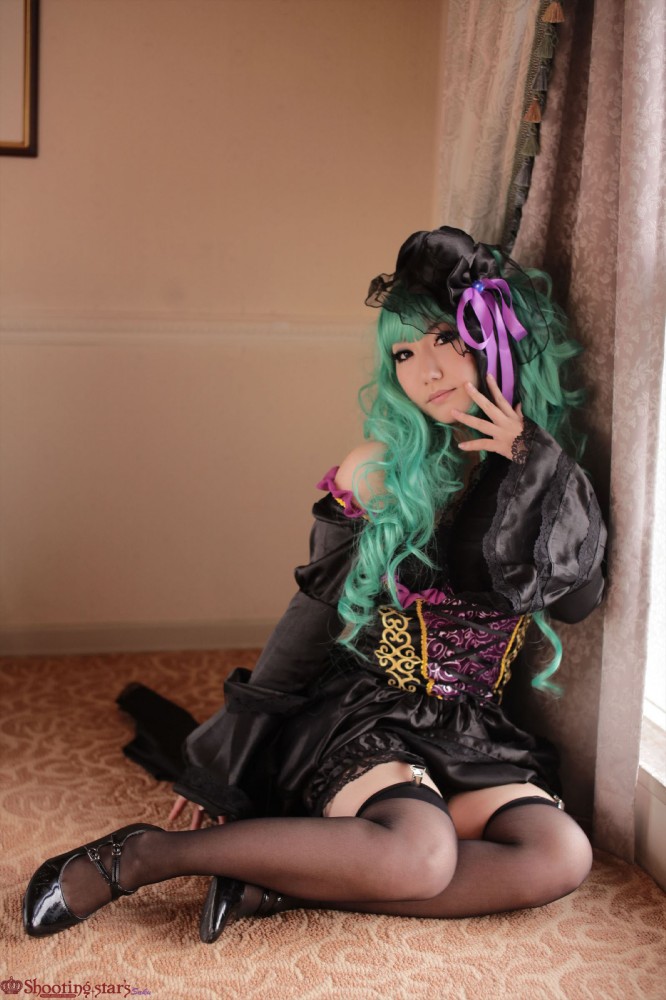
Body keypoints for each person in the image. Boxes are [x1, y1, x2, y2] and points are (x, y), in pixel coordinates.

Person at [23, 226, 606, 942]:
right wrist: (228, 754)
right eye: (403, 354)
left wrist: (531, 462)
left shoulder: (546, 470)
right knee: (421, 857)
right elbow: (311, 616)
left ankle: (274, 886)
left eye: (445, 341)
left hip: (472, 726)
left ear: (494, 341)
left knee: (559, 855)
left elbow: (577, 601)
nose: (424, 371)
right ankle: (143, 855)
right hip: (367, 715)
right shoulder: (379, 469)